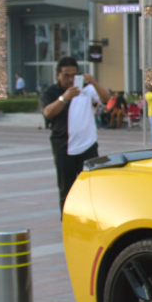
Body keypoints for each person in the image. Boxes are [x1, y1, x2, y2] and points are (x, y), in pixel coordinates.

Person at [41, 56, 103, 211]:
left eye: (73, 75)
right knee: (66, 189)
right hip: (64, 147)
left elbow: (106, 99)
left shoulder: (86, 89)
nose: (70, 79)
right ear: (58, 76)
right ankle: (68, 223)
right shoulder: (51, 92)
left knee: (91, 187)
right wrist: (64, 98)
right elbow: (48, 112)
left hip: (88, 146)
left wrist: (94, 82)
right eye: (66, 76)